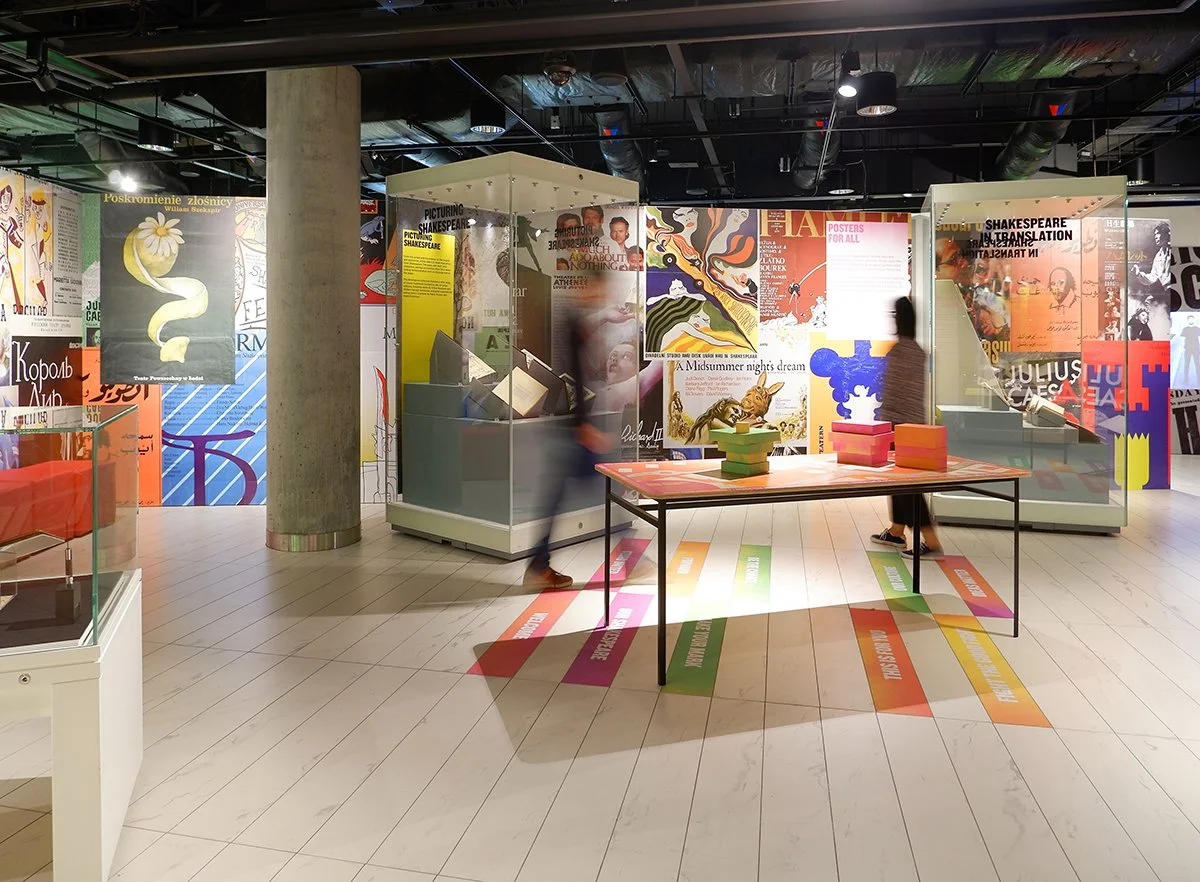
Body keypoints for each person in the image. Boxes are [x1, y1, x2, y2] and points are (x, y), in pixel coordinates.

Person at [525, 268, 614, 590]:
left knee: (568, 494)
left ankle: (539, 564)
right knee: (607, 489)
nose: (601, 295)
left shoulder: (579, 323)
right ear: (589, 286)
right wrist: (584, 426)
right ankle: (539, 564)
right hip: (573, 431)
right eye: (599, 288)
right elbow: (573, 378)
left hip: (572, 429)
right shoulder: (572, 323)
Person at [872, 296, 944, 560]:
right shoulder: (917, 352)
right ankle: (896, 530)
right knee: (899, 482)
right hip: (913, 426)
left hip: (900, 427)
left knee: (908, 486)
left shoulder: (899, 352)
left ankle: (932, 542)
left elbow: (893, 394)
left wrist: (883, 423)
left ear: (899, 320)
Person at [1182, 314, 1200, 386]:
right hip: (1187, 349)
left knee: (1197, 364)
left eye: (1192, 319)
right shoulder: (1185, 329)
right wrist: (1182, 348)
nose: (1191, 320)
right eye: (1189, 319)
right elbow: (1182, 339)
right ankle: (1185, 379)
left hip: (1196, 349)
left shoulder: (1197, 329)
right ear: (1188, 320)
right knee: (1186, 365)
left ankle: (1199, 380)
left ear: (1194, 320)